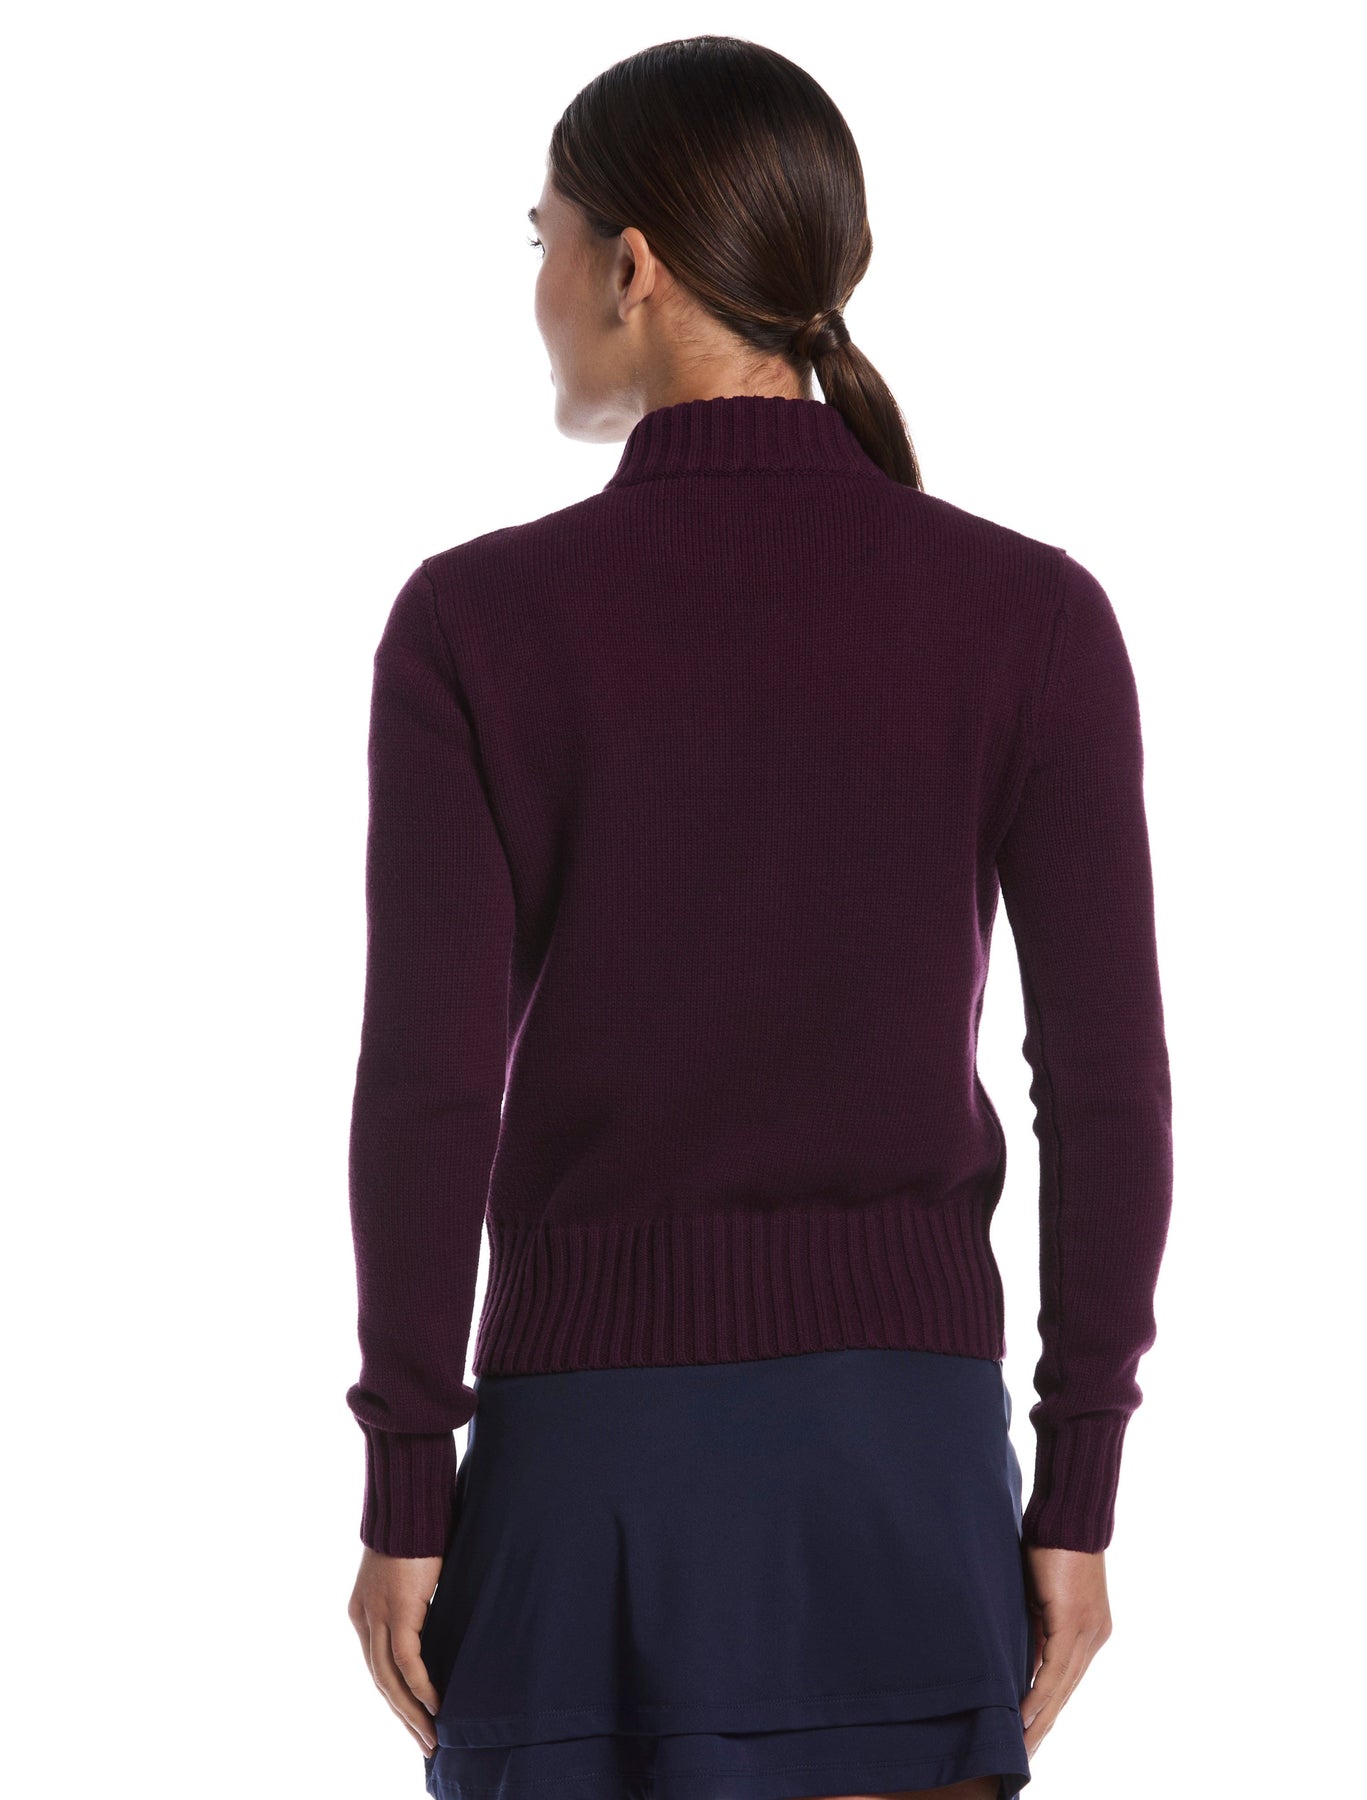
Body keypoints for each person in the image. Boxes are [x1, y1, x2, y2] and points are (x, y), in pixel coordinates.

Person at [344, 35, 1173, 1800]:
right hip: (904, 1473)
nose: (540, 288)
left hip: (587, 1474)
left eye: (544, 239)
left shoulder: (475, 624)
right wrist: (1074, 1489)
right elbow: (1106, 1091)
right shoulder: (1027, 615)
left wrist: (408, 1479)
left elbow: (429, 1089)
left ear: (630, 266)